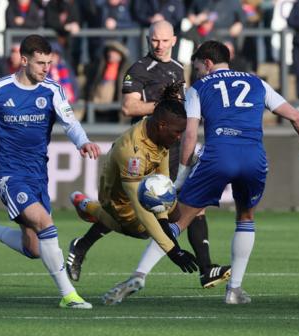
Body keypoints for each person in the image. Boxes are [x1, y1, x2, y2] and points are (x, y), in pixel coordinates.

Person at [107, 40, 299, 305]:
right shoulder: (257, 83)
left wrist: (182, 176)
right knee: (245, 217)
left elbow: (189, 133)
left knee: (179, 219)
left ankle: (139, 275)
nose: (196, 73)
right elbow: (298, 118)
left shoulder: (200, 88)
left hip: (219, 155)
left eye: (197, 68)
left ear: (207, 63)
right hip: (254, 157)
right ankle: (234, 290)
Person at [0, 34, 101, 309]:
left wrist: (83, 141)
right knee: (45, 224)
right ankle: (69, 295)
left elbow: (70, 122)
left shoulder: (52, 90)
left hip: (37, 174)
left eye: (49, 63)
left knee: (34, 249)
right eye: (40, 63)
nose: (46, 69)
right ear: (24, 59)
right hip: (9, 174)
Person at [65, 82, 198, 304]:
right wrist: (173, 251)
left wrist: (165, 219)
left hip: (141, 185)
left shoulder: (159, 134)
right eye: (177, 133)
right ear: (163, 125)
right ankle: (88, 207)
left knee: (175, 215)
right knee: (142, 231)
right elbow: (142, 209)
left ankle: (82, 229)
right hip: (118, 195)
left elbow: (162, 182)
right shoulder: (133, 152)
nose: (179, 138)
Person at [120, 20, 230, 289]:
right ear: (148, 39)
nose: (159, 45)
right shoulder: (138, 69)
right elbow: (129, 108)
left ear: (174, 40)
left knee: (194, 208)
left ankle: (206, 269)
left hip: (178, 146)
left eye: (164, 40)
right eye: (154, 40)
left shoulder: (181, 69)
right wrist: (165, 106)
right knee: (150, 213)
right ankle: (134, 270)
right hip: (151, 147)